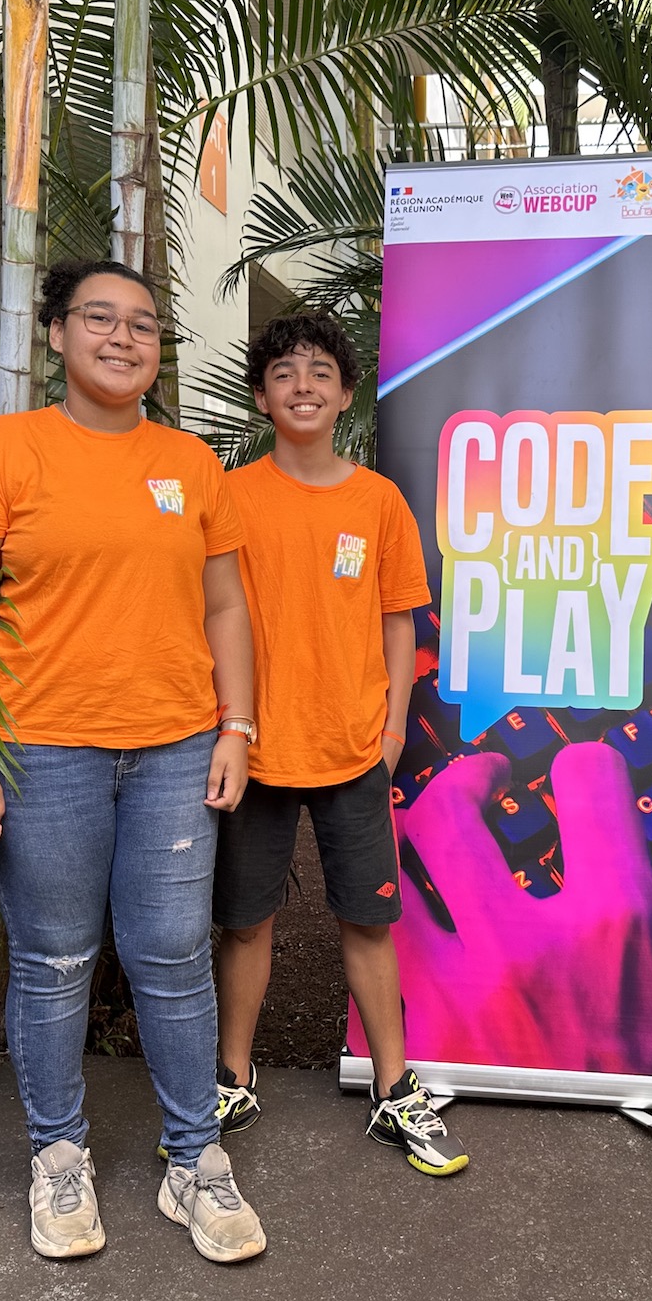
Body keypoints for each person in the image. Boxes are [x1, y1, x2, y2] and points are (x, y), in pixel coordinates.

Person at [0, 259, 267, 1263]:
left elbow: (225, 606)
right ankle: (58, 1155)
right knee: (55, 959)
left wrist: (237, 727)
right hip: (42, 751)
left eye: (143, 325)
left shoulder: (191, 464)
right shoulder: (0, 450)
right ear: (57, 334)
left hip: (175, 750)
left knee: (173, 958)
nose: (124, 338)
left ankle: (193, 1159)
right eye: (101, 319)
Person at [212, 311, 469, 1175]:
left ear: (347, 393)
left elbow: (401, 622)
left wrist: (392, 728)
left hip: (354, 747)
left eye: (321, 371)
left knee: (368, 921)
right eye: (285, 372)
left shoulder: (378, 501)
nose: (303, 386)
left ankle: (394, 1090)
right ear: (261, 396)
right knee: (244, 923)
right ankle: (232, 1077)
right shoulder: (230, 496)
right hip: (252, 750)